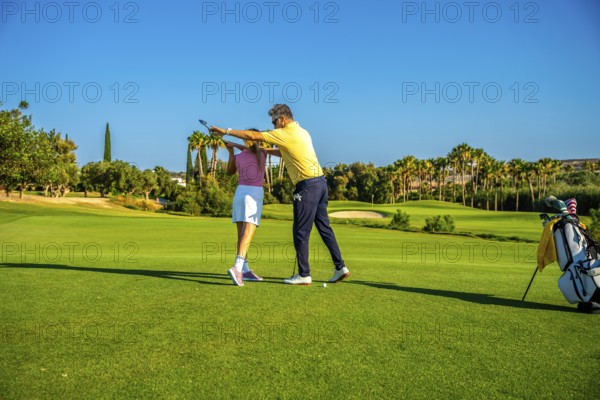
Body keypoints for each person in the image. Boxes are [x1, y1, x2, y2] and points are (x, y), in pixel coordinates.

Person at [210, 104, 350, 285]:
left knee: (300, 231)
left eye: (274, 122)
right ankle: (340, 267)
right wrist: (250, 148)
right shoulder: (302, 132)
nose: (274, 125)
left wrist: (226, 130)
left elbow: (253, 136)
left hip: (306, 186)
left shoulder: (283, 133)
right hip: (321, 184)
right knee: (324, 228)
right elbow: (281, 152)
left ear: (282, 119)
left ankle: (304, 274)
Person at [223, 134, 279, 286]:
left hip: (239, 194)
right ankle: (237, 267)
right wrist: (236, 146)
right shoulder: (262, 154)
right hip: (253, 194)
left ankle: (245, 270)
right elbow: (277, 152)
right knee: (248, 233)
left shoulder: (239, 156)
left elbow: (229, 171)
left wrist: (231, 151)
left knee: (241, 235)